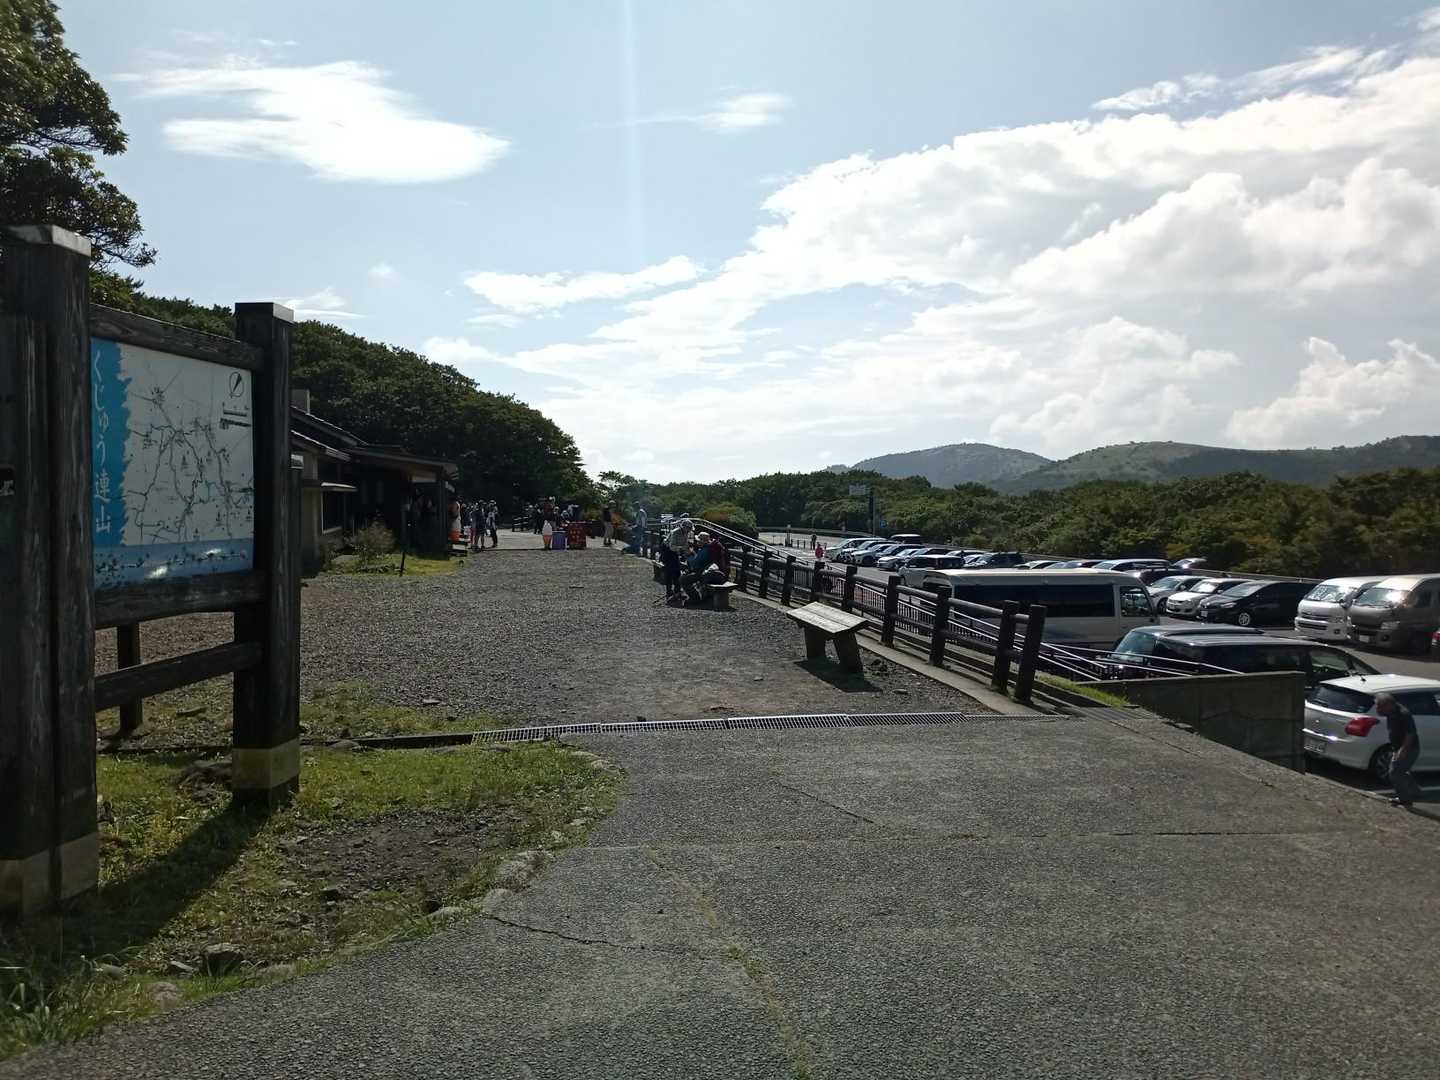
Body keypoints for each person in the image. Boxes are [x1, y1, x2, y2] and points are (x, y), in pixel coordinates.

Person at [1376, 693, 1421, 807]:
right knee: (1401, 771)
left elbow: (1410, 733)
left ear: (1389, 704)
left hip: (1409, 748)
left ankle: (1405, 800)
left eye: (1380, 706)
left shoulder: (1403, 714)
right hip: (1398, 748)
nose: (1377, 709)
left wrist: (1403, 750)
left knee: (1395, 773)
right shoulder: (1391, 712)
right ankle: (1416, 792)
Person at [680, 531, 717, 605]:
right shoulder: (704, 549)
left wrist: (688, 555)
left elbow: (695, 563)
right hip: (704, 571)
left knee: (683, 579)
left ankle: (694, 598)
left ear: (702, 542)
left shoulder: (705, 551)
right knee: (685, 576)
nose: (697, 543)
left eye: (699, 541)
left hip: (703, 572)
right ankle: (696, 596)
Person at [659, 517, 691, 599]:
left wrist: (688, 552)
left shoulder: (686, 533)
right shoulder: (675, 532)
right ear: (683, 527)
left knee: (677, 571)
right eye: (688, 528)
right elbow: (671, 546)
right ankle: (669, 591)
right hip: (667, 550)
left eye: (690, 528)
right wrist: (681, 549)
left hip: (675, 551)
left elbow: (685, 544)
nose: (689, 530)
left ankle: (677, 591)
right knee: (669, 570)